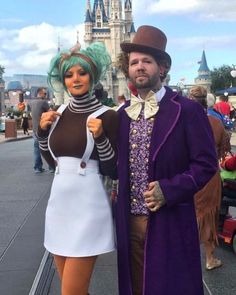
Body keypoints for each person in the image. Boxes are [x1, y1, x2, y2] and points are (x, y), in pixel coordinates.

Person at [115, 25, 218, 295]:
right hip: (130, 222)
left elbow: (206, 164)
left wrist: (169, 189)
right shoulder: (123, 113)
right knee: (136, 288)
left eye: (146, 61)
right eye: (134, 62)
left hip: (168, 221)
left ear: (161, 68)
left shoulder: (187, 110)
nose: (139, 67)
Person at [37, 41, 118, 295]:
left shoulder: (108, 115)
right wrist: (41, 133)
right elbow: (53, 163)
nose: (76, 79)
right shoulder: (57, 113)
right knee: (75, 291)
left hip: (88, 208)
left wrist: (102, 138)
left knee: (70, 292)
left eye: (81, 73)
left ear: (92, 76)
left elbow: (113, 170)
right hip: (59, 206)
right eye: (69, 75)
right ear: (63, 81)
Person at [189, 85, 231, 270]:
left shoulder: (183, 123)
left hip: (188, 174)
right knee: (209, 214)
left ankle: (185, 257)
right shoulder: (216, 123)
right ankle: (210, 258)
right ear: (207, 102)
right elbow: (224, 149)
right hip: (210, 175)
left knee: (189, 213)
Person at [28, 87, 50, 173]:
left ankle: (37, 168)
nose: (45, 95)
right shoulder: (44, 102)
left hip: (34, 129)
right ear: (40, 93)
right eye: (44, 94)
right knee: (47, 147)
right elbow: (50, 112)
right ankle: (52, 167)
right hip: (44, 129)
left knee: (37, 149)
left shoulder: (31, 102)